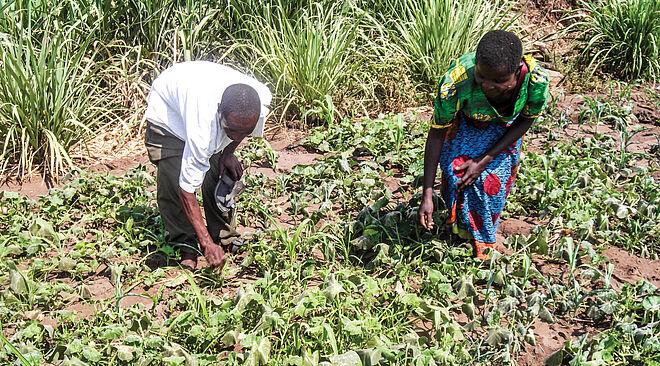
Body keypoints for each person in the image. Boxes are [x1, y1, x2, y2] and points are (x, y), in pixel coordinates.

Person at [418, 30, 549, 260]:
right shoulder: (455, 82)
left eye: (499, 81)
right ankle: (458, 230)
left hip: (505, 132)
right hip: (466, 124)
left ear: (517, 71)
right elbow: (437, 134)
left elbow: (526, 120)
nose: (488, 86)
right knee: (458, 175)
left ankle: (482, 238)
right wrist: (427, 193)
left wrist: (483, 160)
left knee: (491, 184)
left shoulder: (535, 81)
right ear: (476, 64)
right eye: (481, 77)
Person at [144, 61, 272, 269]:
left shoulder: (257, 102)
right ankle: (186, 244)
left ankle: (224, 237)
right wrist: (205, 243)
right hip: (168, 115)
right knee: (173, 179)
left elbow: (240, 130)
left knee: (220, 172)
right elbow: (187, 191)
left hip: (198, 98)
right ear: (219, 110)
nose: (237, 136)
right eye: (231, 131)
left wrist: (228, 152)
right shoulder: (203, 128)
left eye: (244, 132)